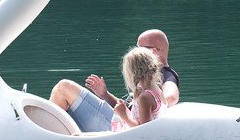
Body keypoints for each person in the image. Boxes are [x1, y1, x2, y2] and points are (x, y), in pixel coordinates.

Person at [49, 27, 180, 132]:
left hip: (123, 125)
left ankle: (43, 136)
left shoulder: (165, 76)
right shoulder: (145, 84)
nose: (135, 51)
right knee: (63, 88)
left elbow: (170, 98)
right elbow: (132, 108)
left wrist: (149, 101)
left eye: (140, 47)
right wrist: (105, 94)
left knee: (64, 88)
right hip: (122, 119)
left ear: (155, 51)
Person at [110, 47, 164, 130]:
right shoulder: (157, 89)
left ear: (132, 72)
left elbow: (145, 130)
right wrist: (125, 110)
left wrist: (124, 116)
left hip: (133, 139)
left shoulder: (145, 97)